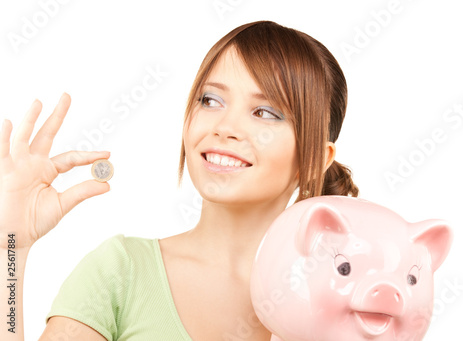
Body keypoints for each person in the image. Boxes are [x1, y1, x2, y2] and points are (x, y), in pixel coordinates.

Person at [0, 20, 358, 340]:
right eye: (210, 100)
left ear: (315, 160)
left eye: (264, 112)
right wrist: (9, 250)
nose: (225, 127)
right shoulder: (121, 272)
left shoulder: (344, 293)